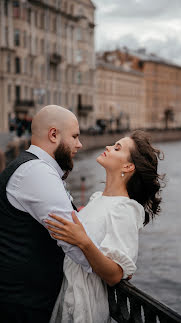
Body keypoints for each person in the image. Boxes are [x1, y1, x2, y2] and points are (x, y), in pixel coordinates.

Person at [45, 130, 164, 323]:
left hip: (86, 304)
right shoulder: (98, 199)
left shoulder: (125, 209)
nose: (108, 147)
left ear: (128, 166)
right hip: (66, 289)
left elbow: (115, 275)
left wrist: (83, 241)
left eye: (117, 148)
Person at [0, 105, 105, 323]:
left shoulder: (30, 167)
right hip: (22, 306)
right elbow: (75, 245)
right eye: (75, 136)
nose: (80, 144)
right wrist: (114, 264)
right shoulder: (37, 172)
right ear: (54, 134)